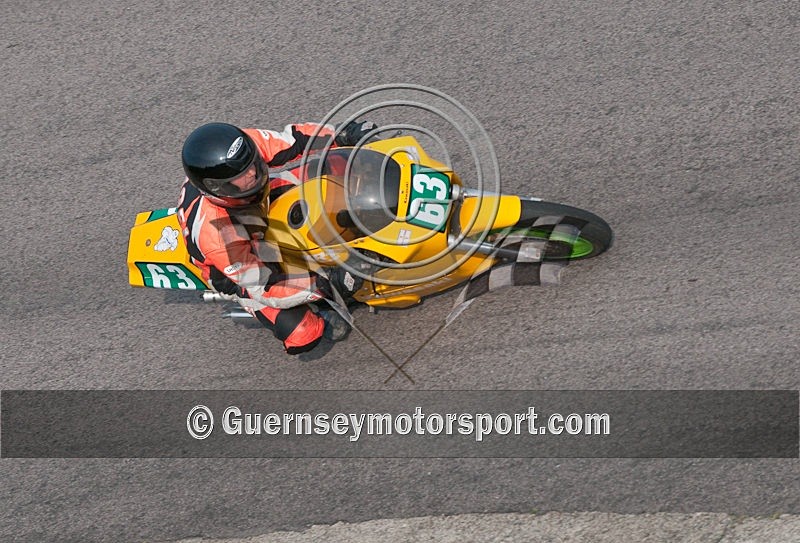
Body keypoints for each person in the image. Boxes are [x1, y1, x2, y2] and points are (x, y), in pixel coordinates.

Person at [177, 120, 375, 354]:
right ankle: (295, 307)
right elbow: (267, 285)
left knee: (334, 168)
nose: (252, 171)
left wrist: (342, 135)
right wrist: (328, 283)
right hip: (242, 269)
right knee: (304, 334)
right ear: (219, 188)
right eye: (242, 173)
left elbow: (294, 140)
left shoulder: (240, 150)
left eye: (251, 163)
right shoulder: (218, 238)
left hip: (256, 202)